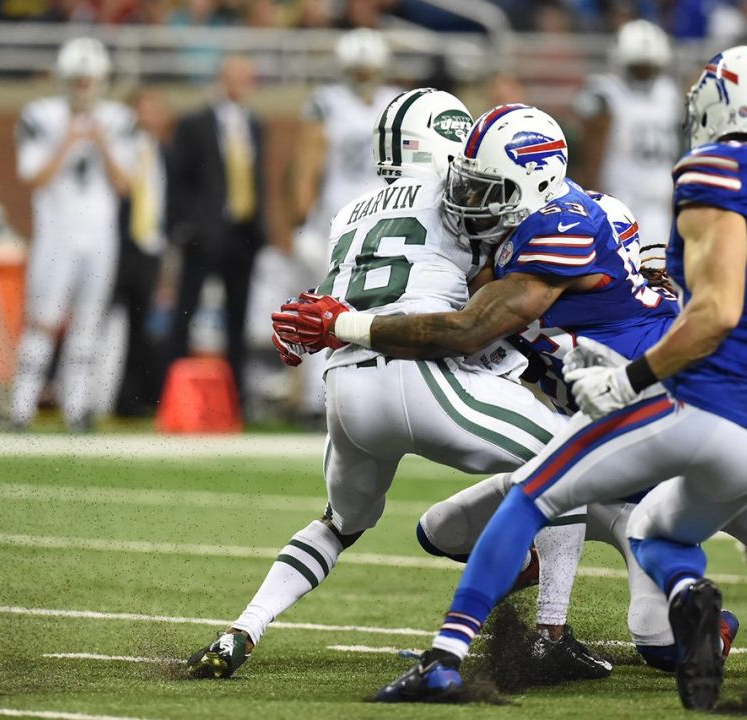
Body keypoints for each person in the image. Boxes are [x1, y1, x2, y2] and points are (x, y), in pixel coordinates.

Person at [278, 101, 747, 689]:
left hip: (683, 397)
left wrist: (345, 325)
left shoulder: (555, 229)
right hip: (637, 414)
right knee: (680, 605)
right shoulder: (564, 221)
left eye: (488, 187)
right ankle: (685, 616)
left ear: (537, 180)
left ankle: (459, 650)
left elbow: (468, 331)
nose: (471, 199)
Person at [185, 89, 610, 684]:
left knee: (339, 523)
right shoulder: (456, 193)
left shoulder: (348, 212)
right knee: (572, 458)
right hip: (420, 376)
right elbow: (488, 290)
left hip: (345, 387)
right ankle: (550, 635)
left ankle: (242, 630)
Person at [9, 37, 140, 432]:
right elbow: (32, 177)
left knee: (88, 323)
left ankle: (77, 409)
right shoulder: (40, 115)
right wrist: (67, 142)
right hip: (55, 235)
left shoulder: (118, 119)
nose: (84, 88)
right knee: (42, 321)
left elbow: (125, 184)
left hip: (99, 235)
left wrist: (100, 144)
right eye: (78, 80)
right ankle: (21, 408)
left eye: (89, 80)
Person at [287, 28, 401, 417]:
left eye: (369, 68)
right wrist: (301, 220)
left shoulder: (394, 102)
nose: (365, 75)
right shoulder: (327, 103)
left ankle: (373, 396)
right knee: (324, 306)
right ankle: (313, 402)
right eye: (358, 68)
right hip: (336, 221)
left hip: (385, 219)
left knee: (381, 308)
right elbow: (308, 164)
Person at [165, 56, 267, 406]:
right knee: (186, 312)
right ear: (223, 80)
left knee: (237, 319)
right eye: (237, 78)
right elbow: (179, 180)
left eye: (248, 78)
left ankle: (234, 400)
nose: (243, 85)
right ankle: (169, 394)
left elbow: (255, 178)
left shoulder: (254, 123)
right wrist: (186, 225)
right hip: (205, 234)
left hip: (243, 233)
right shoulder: (195, 123)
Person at [574, 19, 681, 275]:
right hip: (619, 199)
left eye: (648, 68)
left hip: (656, 202)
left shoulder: (668, 94)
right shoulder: (605, 93)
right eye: (638, 68)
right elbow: (592, 149)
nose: (643, 74)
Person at [97, 88, 169, 418]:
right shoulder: (122, 147)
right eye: (146, 107)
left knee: (141, 325)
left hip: (149, 245)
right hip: (119, 244)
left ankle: (132, 398)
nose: (153, 115)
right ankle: (100, 394)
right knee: (107, 321)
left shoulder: (160, 151)